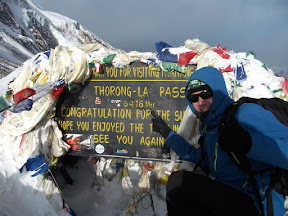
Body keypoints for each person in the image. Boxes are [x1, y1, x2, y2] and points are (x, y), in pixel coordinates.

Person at [151, 66, 288, 216]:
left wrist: (248, 144)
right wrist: (168, 134)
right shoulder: (211, 128)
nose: (200, 102)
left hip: (255, 203)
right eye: (193, 98)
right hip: (227, 197)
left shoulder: (244, 114)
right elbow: (201, 159)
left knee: (178, 184)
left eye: (206, 94)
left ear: (217, 91)